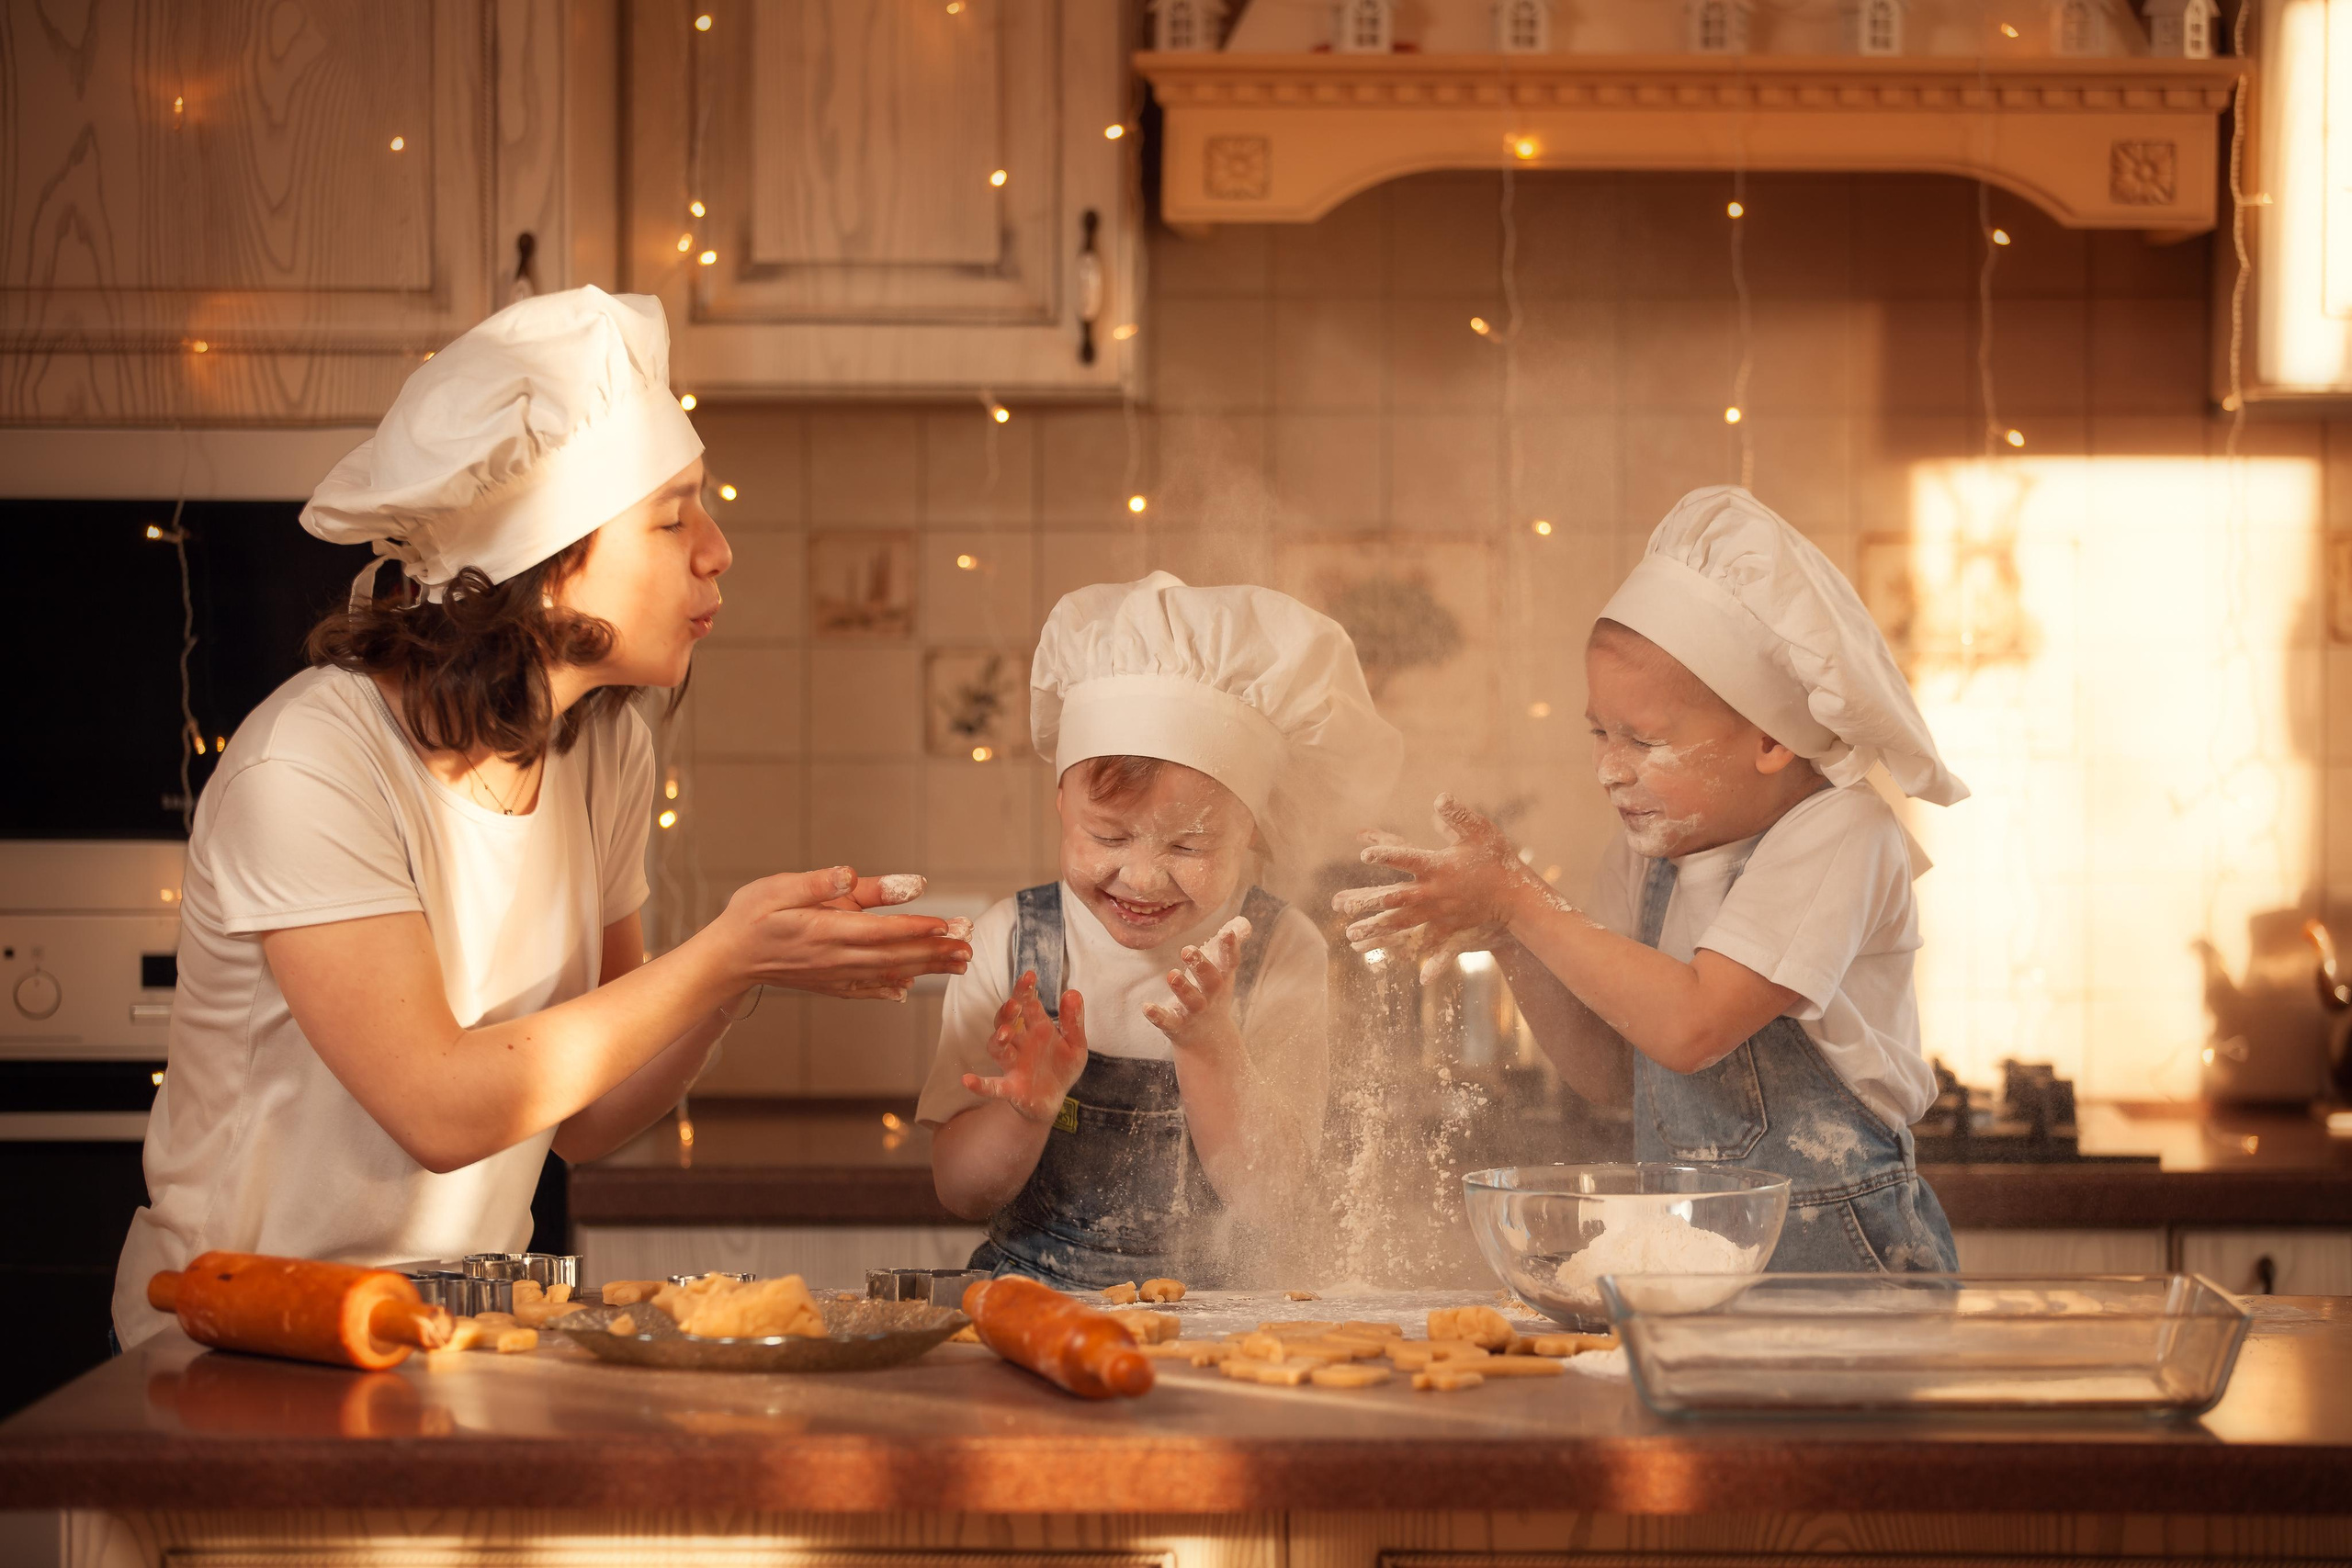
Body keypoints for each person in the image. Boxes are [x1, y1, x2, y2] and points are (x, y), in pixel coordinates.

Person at [112, 287, 970, 1348]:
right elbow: (439, 1110)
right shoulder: (308, 767)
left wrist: (745, 972)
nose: (717, 550)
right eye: (672, 516)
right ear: (543, 562)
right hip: (240, 1341)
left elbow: (589, 1123)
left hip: (468, 1339)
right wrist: (720, 956)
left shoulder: (605, 750)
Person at [1336, 486, 1965, 1272]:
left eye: (1642, 738)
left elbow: (1693, 1025)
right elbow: (1608, 1071)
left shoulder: (1841, 833)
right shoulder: (1648, 854)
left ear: (1771, 737)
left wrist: (1518, 896)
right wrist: (1509, 935)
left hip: (1842, 1274)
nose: (1608, 768)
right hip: (1696, 1269)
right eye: (1599, 731)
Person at [920, 573, 1401, 1288]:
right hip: (1028, 1308)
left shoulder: (1280, 951)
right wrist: (1025, 1111)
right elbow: (959, 1192)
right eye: (1109, 836)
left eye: (1187, 847)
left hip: (1223, 1329)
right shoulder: (1010, 944)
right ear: (1060, 801)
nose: (1141, 878)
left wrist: (1211, 1046)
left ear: (1254, 833)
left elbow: (1270, 1200)